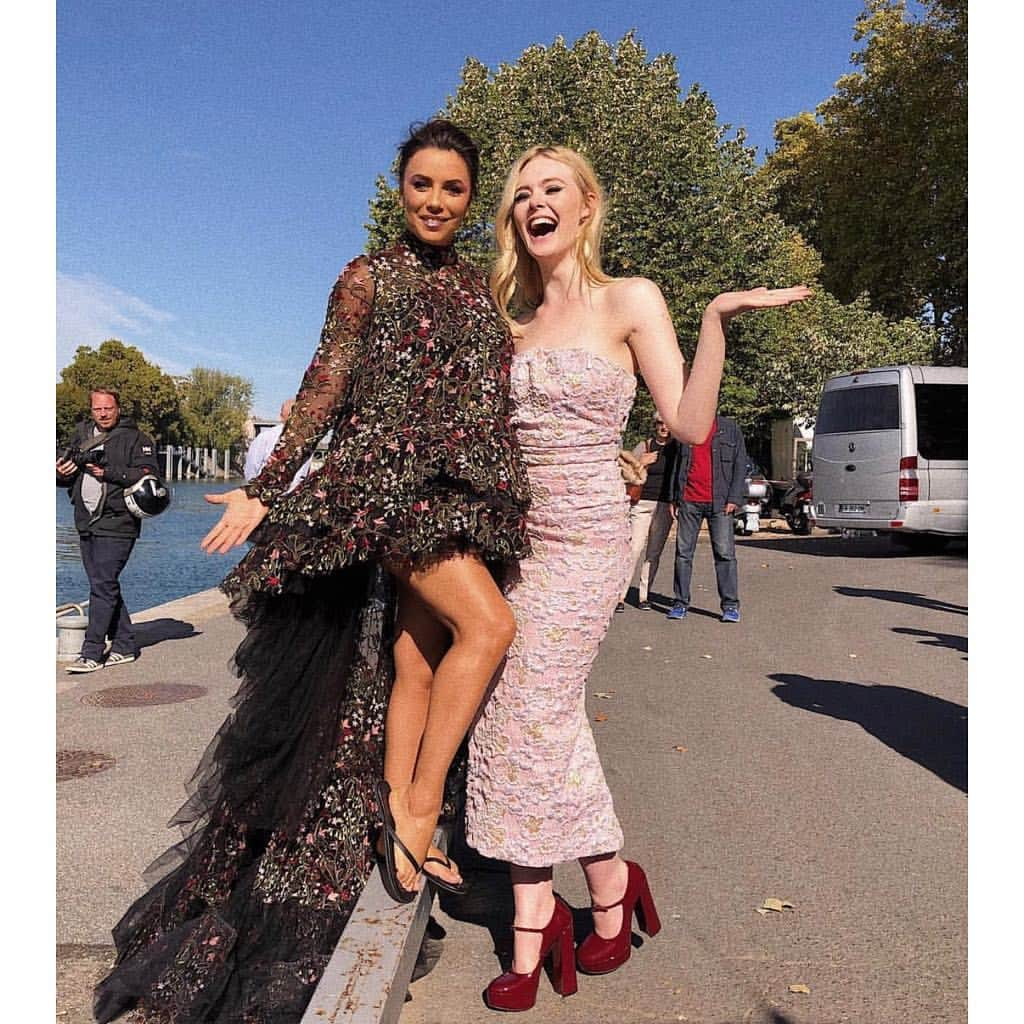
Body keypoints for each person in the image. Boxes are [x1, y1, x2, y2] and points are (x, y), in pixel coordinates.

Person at [93, 119, 532, 1024]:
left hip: (465, 494)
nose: (437, 202)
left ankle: (398, 812)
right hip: (391, 494)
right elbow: (327, 382)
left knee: (414, 659)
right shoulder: (367, 276)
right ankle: (412, 811)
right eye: (422, 185)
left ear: (469, 197)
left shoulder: (480, 293)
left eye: (453, 189)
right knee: (489, 629)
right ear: (399, 187)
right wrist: (268, 484)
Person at [463, 144, 810, 1012]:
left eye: (553, 190)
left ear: (584, 207)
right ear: (513, 220)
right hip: (517, 547)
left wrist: (718, 320)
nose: (535, 204)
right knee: (537, 723)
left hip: (584, 546)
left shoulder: (631, 299)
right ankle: (614, 886)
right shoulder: (509, 323)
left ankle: (533, 926)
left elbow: (688, 421)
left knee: (527, 714)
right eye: (521, 196)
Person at [56, 388, 159, 674]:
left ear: (118, 408)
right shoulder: (81, 435)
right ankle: (125, 644)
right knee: (104, 584)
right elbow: (66, 479)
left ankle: (91, 652)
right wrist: (60, 473)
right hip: (86, 521)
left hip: (119, 522)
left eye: (108, 409)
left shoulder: (137, 439)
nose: (102, 414)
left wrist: (109, 472)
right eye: (97, 409)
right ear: (91, 410)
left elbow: (149, 475)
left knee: (102, 583)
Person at [665, 414, 749, 623]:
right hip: (688, 501)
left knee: (725, 554)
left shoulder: (729, 428)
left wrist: (735, 497)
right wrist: (674, 498)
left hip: (720, 503)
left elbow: (740, 464)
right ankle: (680, 603)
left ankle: (730, 605)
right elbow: (676, 465)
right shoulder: (687, 428)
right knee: (683, 554)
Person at [616, 411, 678, 612]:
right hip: (642, 503)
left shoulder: (677, 448)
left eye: (667, 423)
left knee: (654, 553)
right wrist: (642, 462)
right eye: (660, 423)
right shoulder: (645, 446)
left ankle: (644, 595)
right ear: (655, 425)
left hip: (664, 505)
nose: (664, 427)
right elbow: (626, 473)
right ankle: (620, 596)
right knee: (634, 550)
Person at [243, 398, 313, 489]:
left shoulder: (307, 441)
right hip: (267, 498)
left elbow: (250, 472)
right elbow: (251, 473)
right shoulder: (265, 438)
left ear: (280, 416)